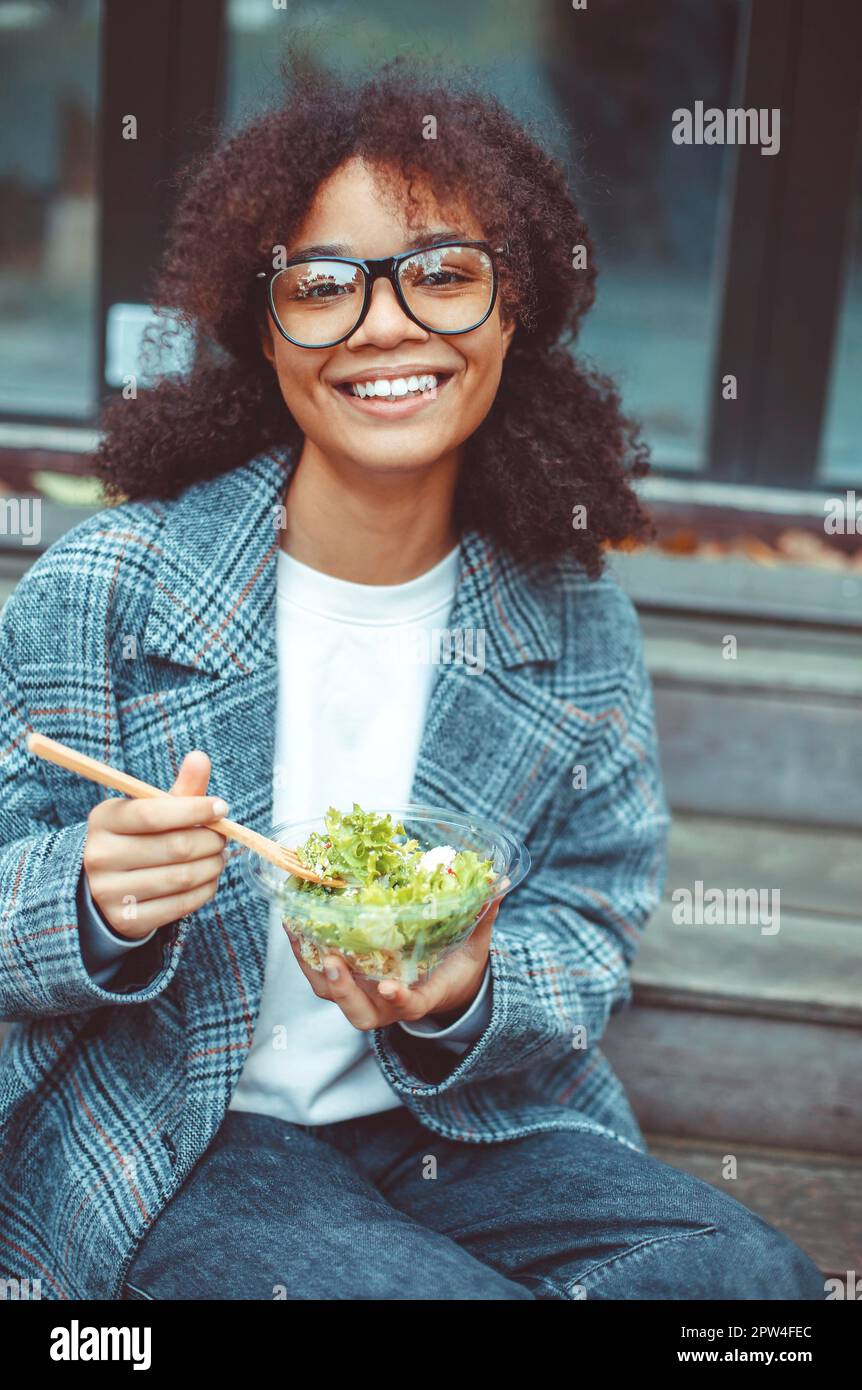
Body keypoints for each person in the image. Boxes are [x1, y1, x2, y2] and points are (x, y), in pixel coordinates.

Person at [0, 56, 825, 1301]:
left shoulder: (569, 615)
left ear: (512, 312)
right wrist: (93, 894)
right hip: (182, 1130)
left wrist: (465, 988)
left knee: (748, 1288)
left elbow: (591, 916)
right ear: (261, 323)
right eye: (324, 285)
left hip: (464, 1116)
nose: (386, 326)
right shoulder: (111, 584)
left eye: (443, 275)